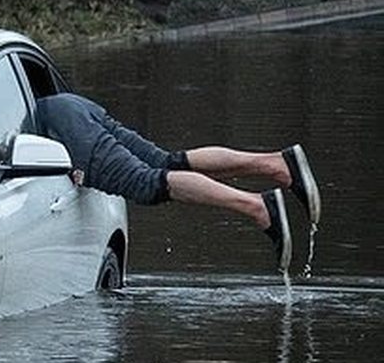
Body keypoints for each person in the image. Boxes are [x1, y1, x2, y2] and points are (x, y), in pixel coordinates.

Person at [35, 93, 321, 272]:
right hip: (72, 108)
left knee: (146, 183)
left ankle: (258, 206)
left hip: (65, 128)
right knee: (165, 163)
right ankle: (276, 165)